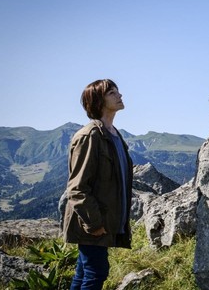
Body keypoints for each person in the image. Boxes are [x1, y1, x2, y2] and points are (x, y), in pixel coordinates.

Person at [62, 79, 133, 290]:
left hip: (104, 221)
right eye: (112, 92)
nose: (119, 95)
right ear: (98, 100)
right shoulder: (89, 136)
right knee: (96, 272)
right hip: (91, 222)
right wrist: (94, 224)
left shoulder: (115, 135)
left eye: (117, 91)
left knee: (85, 272)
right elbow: (77, 187)